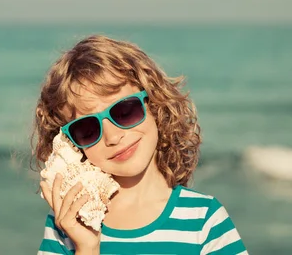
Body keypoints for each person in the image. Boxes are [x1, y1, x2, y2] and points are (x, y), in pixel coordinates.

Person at [31, 35, 247, 254]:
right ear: (73, 144)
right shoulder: (68, 224)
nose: (113, 137)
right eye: (87, 129)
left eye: (125, 111)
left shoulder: (204, 220)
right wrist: (86, 247)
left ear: (154, 105)